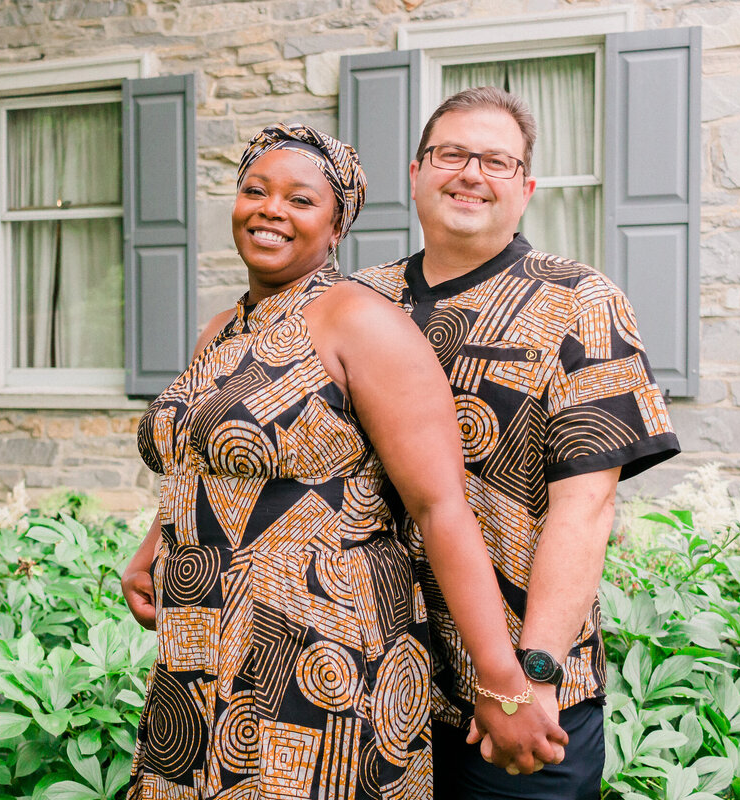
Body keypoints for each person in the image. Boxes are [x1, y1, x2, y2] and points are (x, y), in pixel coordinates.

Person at [122, 123, 566, 800]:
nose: (271, 208)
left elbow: (439, 505)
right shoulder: (223, 328)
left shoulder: (359, 320)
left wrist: (502, 681)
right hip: (201, 641)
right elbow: (202, 460)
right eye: (254, 191)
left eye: (300, 200)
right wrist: (154, 544)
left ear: (336, 228)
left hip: (317, 650)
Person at [351, 87, 681, 800]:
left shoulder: (580, 301)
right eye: (452, 154)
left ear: (525, 189)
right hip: (370, 683)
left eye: (496, 161)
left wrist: (531, 676)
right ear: (415, 173)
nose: (471, 173)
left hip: (515, 701)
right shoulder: (357, 302)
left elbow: (585, 509)